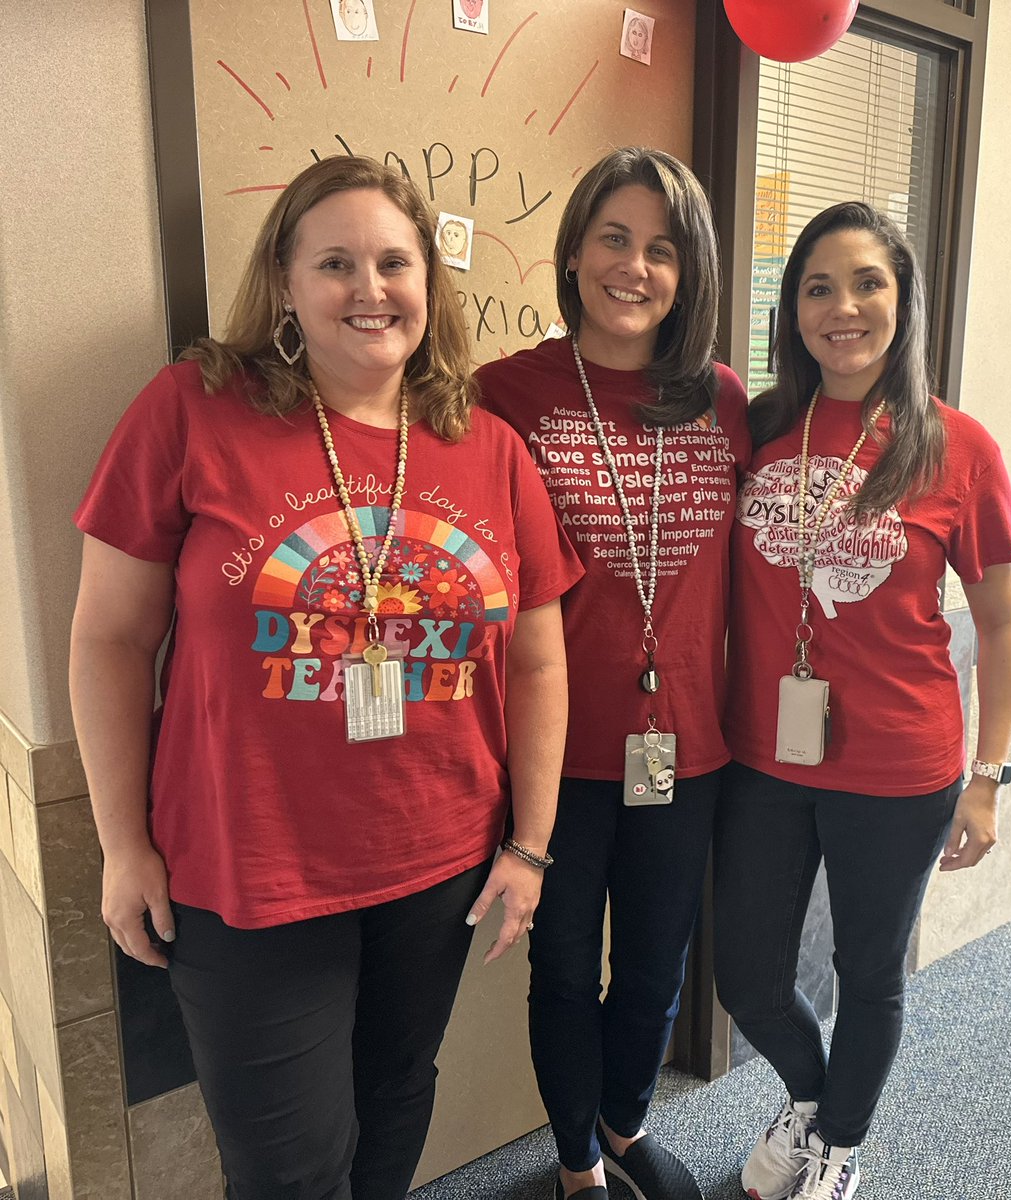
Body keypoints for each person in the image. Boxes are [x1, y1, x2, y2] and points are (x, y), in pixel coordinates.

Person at [69, 154, 582, 1200]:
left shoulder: (486, 449)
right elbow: (110, 641)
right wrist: (122, 845)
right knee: (290, 1170)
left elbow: (535, 657)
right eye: (336, 262)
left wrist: (529, 844)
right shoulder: (192, 410)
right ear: (288, 285)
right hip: (249, 870)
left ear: (429, 287)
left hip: (434, 859)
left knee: (396, 1106)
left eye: (395, 262)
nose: (370, 288)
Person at [714, 201, 1011, 1200]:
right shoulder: (757, 427)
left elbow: (1005, 628)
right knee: (749, 975)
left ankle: (838, 1145)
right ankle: (811, 1104)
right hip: (764, 757)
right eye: (817, 286)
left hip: (901, 764)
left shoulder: (956, 446)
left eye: (868, 284)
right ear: (791, 308)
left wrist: (988, 777)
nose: (842, 307)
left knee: (868, 969)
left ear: (904, 301)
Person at [476, 147, 751, 1200]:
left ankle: (628, 1123)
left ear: (692, 274)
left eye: (663, 249)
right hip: (554, 754)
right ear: (576, 250)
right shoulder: (508, 394)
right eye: (615, 238)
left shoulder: (723, 401)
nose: (635, 267)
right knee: (560, 971)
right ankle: (579, 1165)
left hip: (689, 747)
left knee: (655, 964)